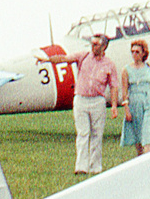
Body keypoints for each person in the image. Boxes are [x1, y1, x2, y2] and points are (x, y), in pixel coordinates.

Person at [45, 34, 120, 175]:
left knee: (97, 134)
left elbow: (114, 86)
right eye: (92, 43)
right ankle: (81, 167)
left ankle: (95, 167)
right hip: (81, 99)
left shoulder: (109, 64)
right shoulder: (83, 56)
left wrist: (114, 106)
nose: (93, 46)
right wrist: (48, 60)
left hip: (98, 100)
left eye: (96, 44)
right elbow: (64, 58)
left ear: (104, 46)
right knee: (82, 133)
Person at [120, 39, 150, 157]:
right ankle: (141, 158)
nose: (134, 54)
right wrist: (126, 109)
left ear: (144, 53)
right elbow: (124, 91)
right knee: (138, 135)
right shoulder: (126, 70)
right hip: (135, 101)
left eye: (137, 52)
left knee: (148, 132)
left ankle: (148, 158)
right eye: (132, 52)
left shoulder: (149, 67)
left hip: (149, 101)